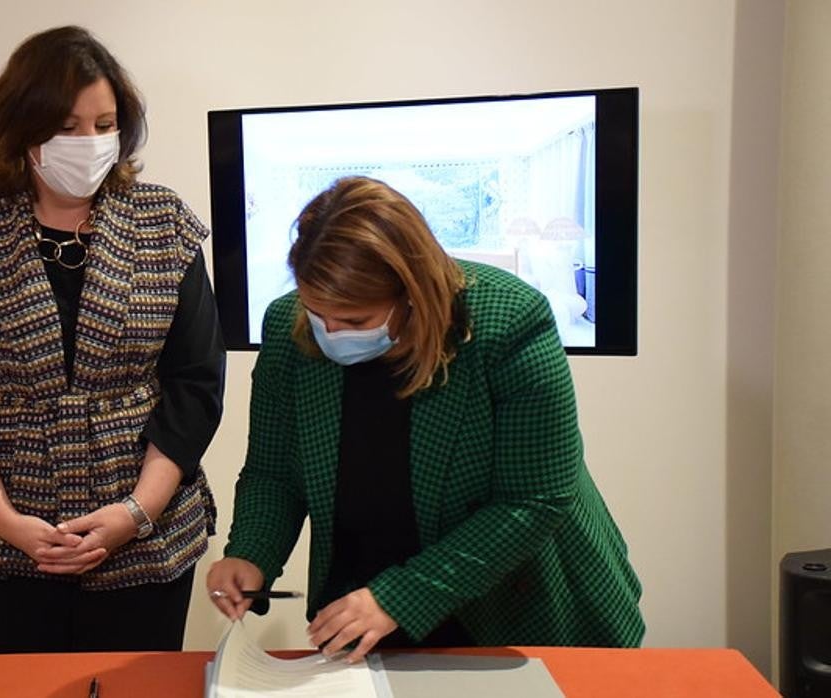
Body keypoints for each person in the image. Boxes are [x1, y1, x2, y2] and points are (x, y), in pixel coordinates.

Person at [206, 176, 643, 663]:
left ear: (412, 295)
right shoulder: (288, 328)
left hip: (515, 598)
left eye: (354, 321)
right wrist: (250, 553)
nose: (330, 332)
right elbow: (274, 471)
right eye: (316, 311)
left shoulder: (508, 321)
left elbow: (534, 499)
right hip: (364, 599)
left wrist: (402, 595)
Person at [0, 25, 225, 654]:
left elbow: (196, 385)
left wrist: (134, 514)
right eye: (68, 126)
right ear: (21, 129)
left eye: (105, 124)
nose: (90, 142)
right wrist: (10, 525)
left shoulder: (164, 224)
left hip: (146, 532)